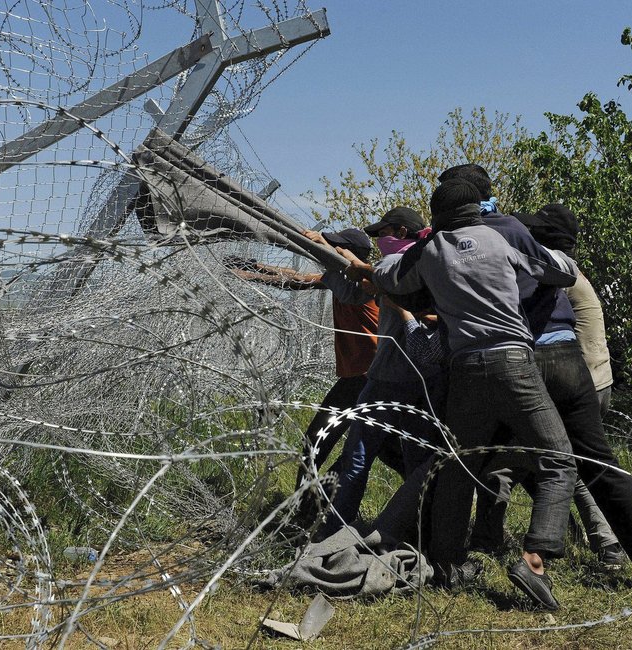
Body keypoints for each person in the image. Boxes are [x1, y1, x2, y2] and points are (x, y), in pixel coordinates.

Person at [438, 166, 632, 586]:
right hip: (567, 355)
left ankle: (454, 559)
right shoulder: (513, 229)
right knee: (595, 461)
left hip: (523, 358)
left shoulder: (462, 240)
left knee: (469, 460)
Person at [344, 179, 580, 610]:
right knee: (558, 458)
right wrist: (561, 251)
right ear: (475, 208)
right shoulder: (498, 238)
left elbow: (392, 276)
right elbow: (561, 271)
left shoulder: (431, 249)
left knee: (458, 465)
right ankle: (534, 558)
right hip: (513, 364)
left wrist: (365, 269)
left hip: (465, 370)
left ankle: (449, 563)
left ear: (438, 215)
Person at [228, 229, 402, 501]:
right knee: (381, 447)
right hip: (363, 378)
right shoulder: (343, 279)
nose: (324, 252)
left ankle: (303, 506)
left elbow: (339, 289)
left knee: (317, 440)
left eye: (331, 248)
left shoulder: (365, 285)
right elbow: (299, 279)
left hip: (366, 378)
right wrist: (256, 270)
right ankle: (310, 504)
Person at [320, 207, 447, 539]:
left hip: (388, 377)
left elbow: (352, 289)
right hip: (426, 379)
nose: (379, 240)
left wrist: (327, 253)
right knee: (418, 463)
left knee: (357, 459)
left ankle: (334, 532)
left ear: (402, 233)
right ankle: (421, 533)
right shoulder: (433, 264)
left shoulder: (393, 266)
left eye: (383, 233)